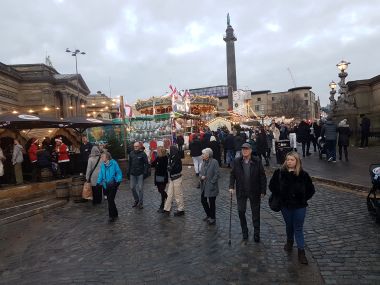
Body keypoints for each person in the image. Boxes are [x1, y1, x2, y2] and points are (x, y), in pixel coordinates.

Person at [268, 151, 315, 265]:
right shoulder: (279, 173)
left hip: (300, 207)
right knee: (289, 226)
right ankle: (289, 241)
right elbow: (272, 186)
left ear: (297, 161)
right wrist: (281, 194)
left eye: (292, 160)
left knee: (298, 228)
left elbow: (311, 190)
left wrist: (302, 198)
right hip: (286, 206)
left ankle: (301, 252)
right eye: (288, 159)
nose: (289, 162)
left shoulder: (303, 175)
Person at [229, 143, 267, 242]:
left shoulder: (257, 161)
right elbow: (232, 174)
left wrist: (263, 190)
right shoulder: (237, 161)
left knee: (255, 213)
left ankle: (256, 233)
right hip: (241, 190)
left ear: (250, 150)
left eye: (246, 149)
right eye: (243, 149)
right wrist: (231, 186)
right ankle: (244, 232)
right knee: (241, 211)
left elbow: (262, 176)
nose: (244, 151)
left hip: (254, 190)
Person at [96, 152, 122, 222]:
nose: (101, 158)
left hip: (113, 184)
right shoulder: (102, 165)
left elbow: (119, 173)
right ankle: (115, 213)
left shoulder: (114, 163)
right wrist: (98, 182)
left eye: (103, 157)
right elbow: (100, 174)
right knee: (111, 200)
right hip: (105, 185)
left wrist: (118, 181)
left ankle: (111, 216)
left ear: (107, 157)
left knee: (110, 199)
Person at [163, 145, 185, 216]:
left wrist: (171, 168)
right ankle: (166, 209)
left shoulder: (177, 158)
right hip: (172, 178)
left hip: (177, 178)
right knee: (169, 194)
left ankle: (181, 209)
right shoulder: (172, 157)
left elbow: (179, 169)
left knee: (178, 194)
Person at [199, 148, 220, 225]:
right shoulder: (203, 162)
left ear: (208, 155)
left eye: (203, 154)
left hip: (211, 186)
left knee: (212, 202)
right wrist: (201, 176)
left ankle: (213, 218)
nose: (202, 155)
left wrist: (212, 182)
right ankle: (208, 215)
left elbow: (217, 174)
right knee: (203, 200)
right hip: (204, 185)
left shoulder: (214, 162)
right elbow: (201, 172)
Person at [127, 141, 149, 209]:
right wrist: (128, 172)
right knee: (132, 187)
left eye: (137, 146)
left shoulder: (143, 154)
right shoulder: (131, 153)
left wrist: (145, 172)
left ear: (139, 147)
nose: (135, 148)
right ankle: (136, 200)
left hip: (140, 174)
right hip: (132, 173)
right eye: (134, 147)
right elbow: (129, 163)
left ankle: (141, 203)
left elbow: (146, 164)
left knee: (140, 188)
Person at [151, 146, 168, 213]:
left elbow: (163, 167)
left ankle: (162, 205)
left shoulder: (164, 158)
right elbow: (152, 164)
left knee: (161, 190)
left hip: (162, 177)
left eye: (158, 151)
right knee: (160, 190)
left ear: (161, 152)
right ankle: (168, 198)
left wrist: (157, 165)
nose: (157, 152)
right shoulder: (158, 158)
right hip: (158, 176)